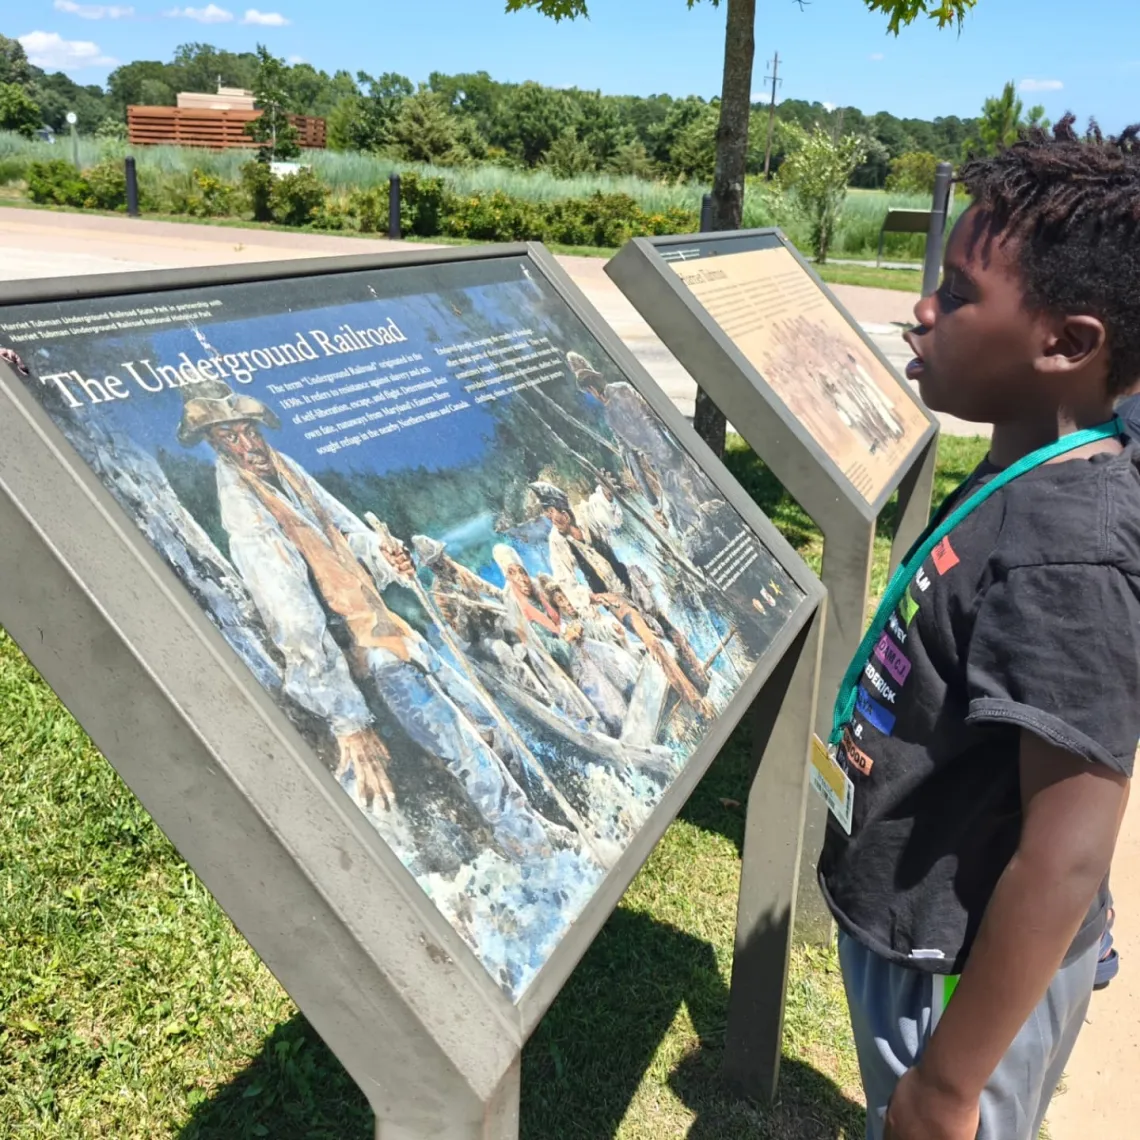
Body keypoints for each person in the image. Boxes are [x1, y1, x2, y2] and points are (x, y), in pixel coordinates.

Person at [819, 117, 1140, 1140]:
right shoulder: (1028, 463)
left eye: (958, 296)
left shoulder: (1068, 552)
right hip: (917, 932)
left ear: (1067, 343)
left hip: (966, 977)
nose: (923, 310)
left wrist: (953, 1084)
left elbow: (1071, 847)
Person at [175, 379, 561, 864]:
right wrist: (346, 717)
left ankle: (536, 822)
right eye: (230, 437)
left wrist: (385, 556)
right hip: (369, 657)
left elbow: (348, 534)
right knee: (464, 749)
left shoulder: (286, 470)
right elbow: (290, 611)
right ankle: (531, 847)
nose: (248, 445)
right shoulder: (242, 506)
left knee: (489, 725)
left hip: (393, 631)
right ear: (214, 443)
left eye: (248, 430)